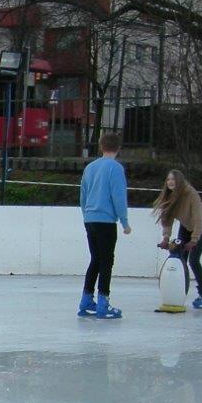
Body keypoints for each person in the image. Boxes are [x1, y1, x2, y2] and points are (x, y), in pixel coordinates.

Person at [78, 131, 131, 319]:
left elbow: (83, 195)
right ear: (118, 148)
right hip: (106, 221)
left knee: (95, 259)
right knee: (107, 261)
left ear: (101, 146)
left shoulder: (90, 168)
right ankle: (103, 302)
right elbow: (118, 197)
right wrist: (124, 221)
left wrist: (86, 215)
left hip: (90, 219)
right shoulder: (115, 168)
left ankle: (86, 300)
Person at [153, 169, 202, 309]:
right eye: (168, 179)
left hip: (201, 225)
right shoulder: (169, 196)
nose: (170, 182)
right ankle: (178, 292)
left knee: (194, 260)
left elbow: (198, 219)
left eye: (173, 179)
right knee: (179, 259)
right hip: (185, 226)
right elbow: (167, 220)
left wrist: (194, 240)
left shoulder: (190, 194)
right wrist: (166, 238)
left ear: (179, 180)